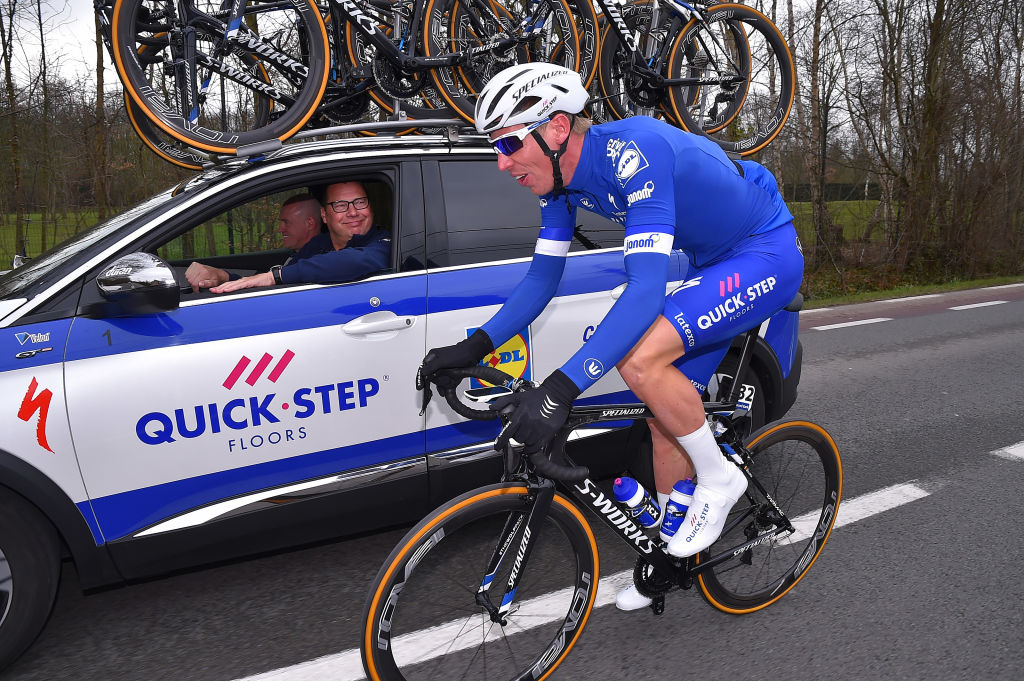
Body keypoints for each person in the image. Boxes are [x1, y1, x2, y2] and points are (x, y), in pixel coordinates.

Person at [417, 64, 804, 611]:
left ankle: (719, 481)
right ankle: (671, 558)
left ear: (555, 129)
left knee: (640, 363)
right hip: (711, 260)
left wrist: (559, 389)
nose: (501, 163)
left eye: (507, 143)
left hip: (763, 250)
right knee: (661, 410)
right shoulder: (560, 184)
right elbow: (541, 280)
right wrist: (473, 345)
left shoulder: (633, 152)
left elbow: (645, 290)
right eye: (495, 148)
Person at [208, 181, 391, 293]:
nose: (353, 212)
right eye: (341, 205)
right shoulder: (317, 246)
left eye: (360, 202)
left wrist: (277, 276)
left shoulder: (385, 244)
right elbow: (272, 283)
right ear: (324, 215)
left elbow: (356, 261)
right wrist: (224, 277)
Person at [185, 193, 324, 292]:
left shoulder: (316, 261)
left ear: (309, 223)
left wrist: (223, 277)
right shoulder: (300, 255)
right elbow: (261, 281)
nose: (279, 229)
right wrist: (223, 276)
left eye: (286, 222)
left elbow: (268, 289)